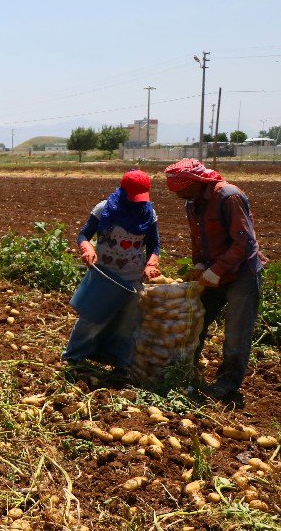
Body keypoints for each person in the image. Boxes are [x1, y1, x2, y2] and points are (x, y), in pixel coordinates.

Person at [164, 158, 267, 399]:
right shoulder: (192, 203)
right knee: (195, 321)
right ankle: (187, 371)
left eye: (180, 189)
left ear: (196, 182)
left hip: (242, 273)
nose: (177, 194)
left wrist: (217, 270)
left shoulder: (228, 197)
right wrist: (200, 263)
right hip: (214, 272)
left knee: (236, 333)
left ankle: (227, 385)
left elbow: (245, 243)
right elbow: (197, 239)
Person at [62, 169, 161, 375]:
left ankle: (119, 362)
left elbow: (154, 245)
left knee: (128, 322)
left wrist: (151, 264)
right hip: (106, 275)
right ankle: (74, 356)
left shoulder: (148, 214)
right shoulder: (105, 209)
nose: (137, 202)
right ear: (123, 191)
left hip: (133, 278)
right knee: (93, 318)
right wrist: (87, 248)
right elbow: (84, 234)